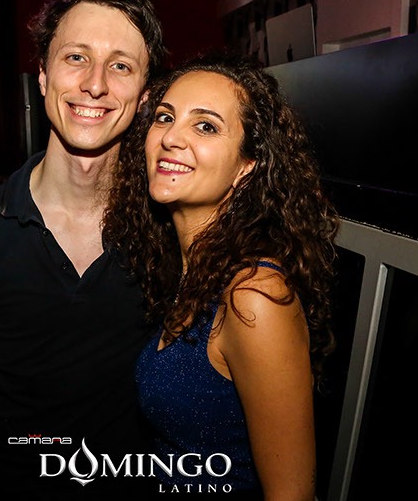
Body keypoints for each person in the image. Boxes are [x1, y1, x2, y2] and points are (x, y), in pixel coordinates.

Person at [0, 0, 167, 500]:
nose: (95, 84)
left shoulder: (171, 228)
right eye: (76, 57)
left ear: (145, 96)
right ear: (42, 75)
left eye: (120, 65)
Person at [102, 51, 339, 498]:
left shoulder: (255, 296)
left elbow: (291, 494)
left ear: (247, 166)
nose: (171, 137)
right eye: (165, 117)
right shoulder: (182, 268)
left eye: (206, 126)